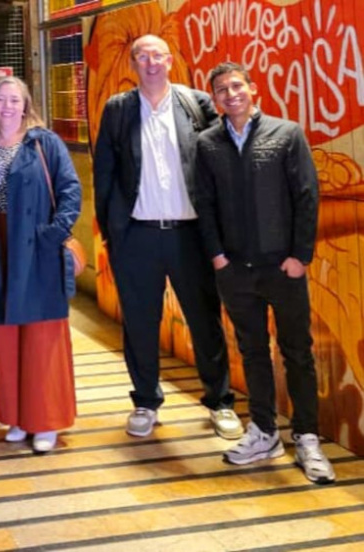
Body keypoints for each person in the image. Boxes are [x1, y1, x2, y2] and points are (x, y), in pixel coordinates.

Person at [92, 34, 243, 440]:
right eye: (142, 56)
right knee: (140, 324)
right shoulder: (118, 109)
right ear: (133, 64)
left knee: (204, 320)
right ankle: (145, 401)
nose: (151, 63)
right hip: (137, 236)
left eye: (157, 55)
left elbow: (220, 164)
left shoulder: (196, 104)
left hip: (190, 235)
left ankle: (220, 402)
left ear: (170, 61)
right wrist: (112, 231)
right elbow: (104, 172)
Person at [194, 62, 334, 483]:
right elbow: (204, 203)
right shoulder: (207, 143)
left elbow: (307, 195)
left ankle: (307, 437)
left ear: (253, 89)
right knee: (252, 352)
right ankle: (264, 432)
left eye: (237, 85)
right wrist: (217, 256)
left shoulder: (286, 134)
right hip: (235, 270)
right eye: (222, 89)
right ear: (214, 99)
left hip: (283, 267)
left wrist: (300, 256)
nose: (231, 94)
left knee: (297, 353)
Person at [0, 76, 81, 453]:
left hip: (37, 249)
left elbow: (70, 190)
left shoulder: (44, 143)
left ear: (26, 105)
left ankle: (45, 421)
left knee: (41, 338)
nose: (8, 106)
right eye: (1, 99)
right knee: (5, 338)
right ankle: (15, 415)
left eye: (15, 100)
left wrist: (54, 233)